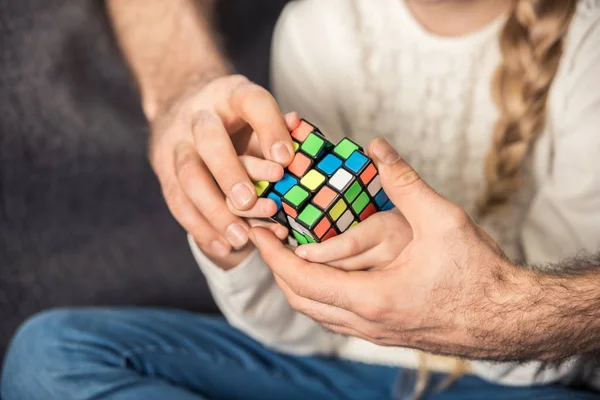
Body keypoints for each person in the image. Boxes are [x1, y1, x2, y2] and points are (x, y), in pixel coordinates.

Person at [2, 0, 600, 399]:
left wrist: (477, 309)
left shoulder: (585, 44)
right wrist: (236, 242)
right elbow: (300, 330)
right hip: (325, 373)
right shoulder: (321, 25)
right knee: (51, 354)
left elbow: (563, 345)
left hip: (510, 385)